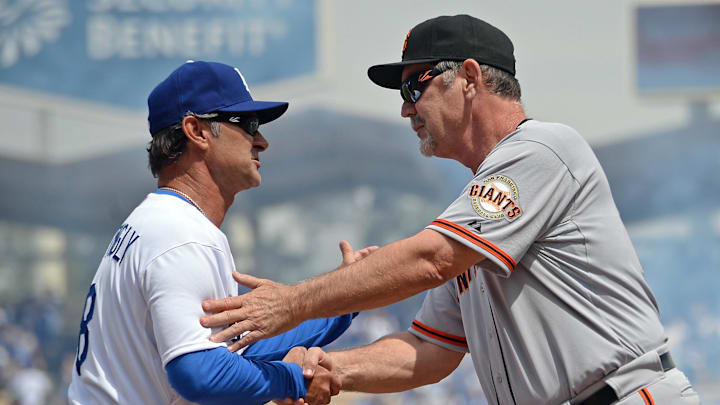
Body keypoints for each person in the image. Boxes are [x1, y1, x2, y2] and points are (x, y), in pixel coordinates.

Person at [199, 15, 701, 405]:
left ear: (469, 77)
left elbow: (429, 260)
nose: (405, 109)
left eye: (414, 87)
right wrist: (331, 368)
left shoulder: (544, 149)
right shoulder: (474, 210)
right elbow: (430, 350)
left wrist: (291, 304)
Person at [68, 60, 371, 405]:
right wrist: (293, 380)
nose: (262, 142)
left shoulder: (164, 220)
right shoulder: (179, 232)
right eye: (248, 124)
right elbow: (198, 372)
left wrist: (347, 295)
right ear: (196, 131)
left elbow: (238, 344)